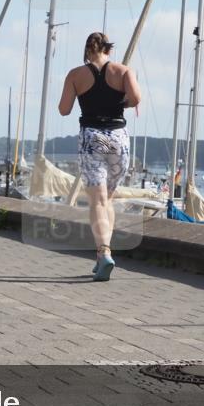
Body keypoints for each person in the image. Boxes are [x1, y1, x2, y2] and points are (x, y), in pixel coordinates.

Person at [57, 32, 141, 281]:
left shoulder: (75, 74)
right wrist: (118, 103)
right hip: (117, 139)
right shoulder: (124, 71)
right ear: (109, 50)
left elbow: (64, 109)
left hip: (92, 137)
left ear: (87, 51)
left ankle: (103, 252)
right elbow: (136, 99)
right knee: (108, 199)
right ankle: (103, 254)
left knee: (98, 201)